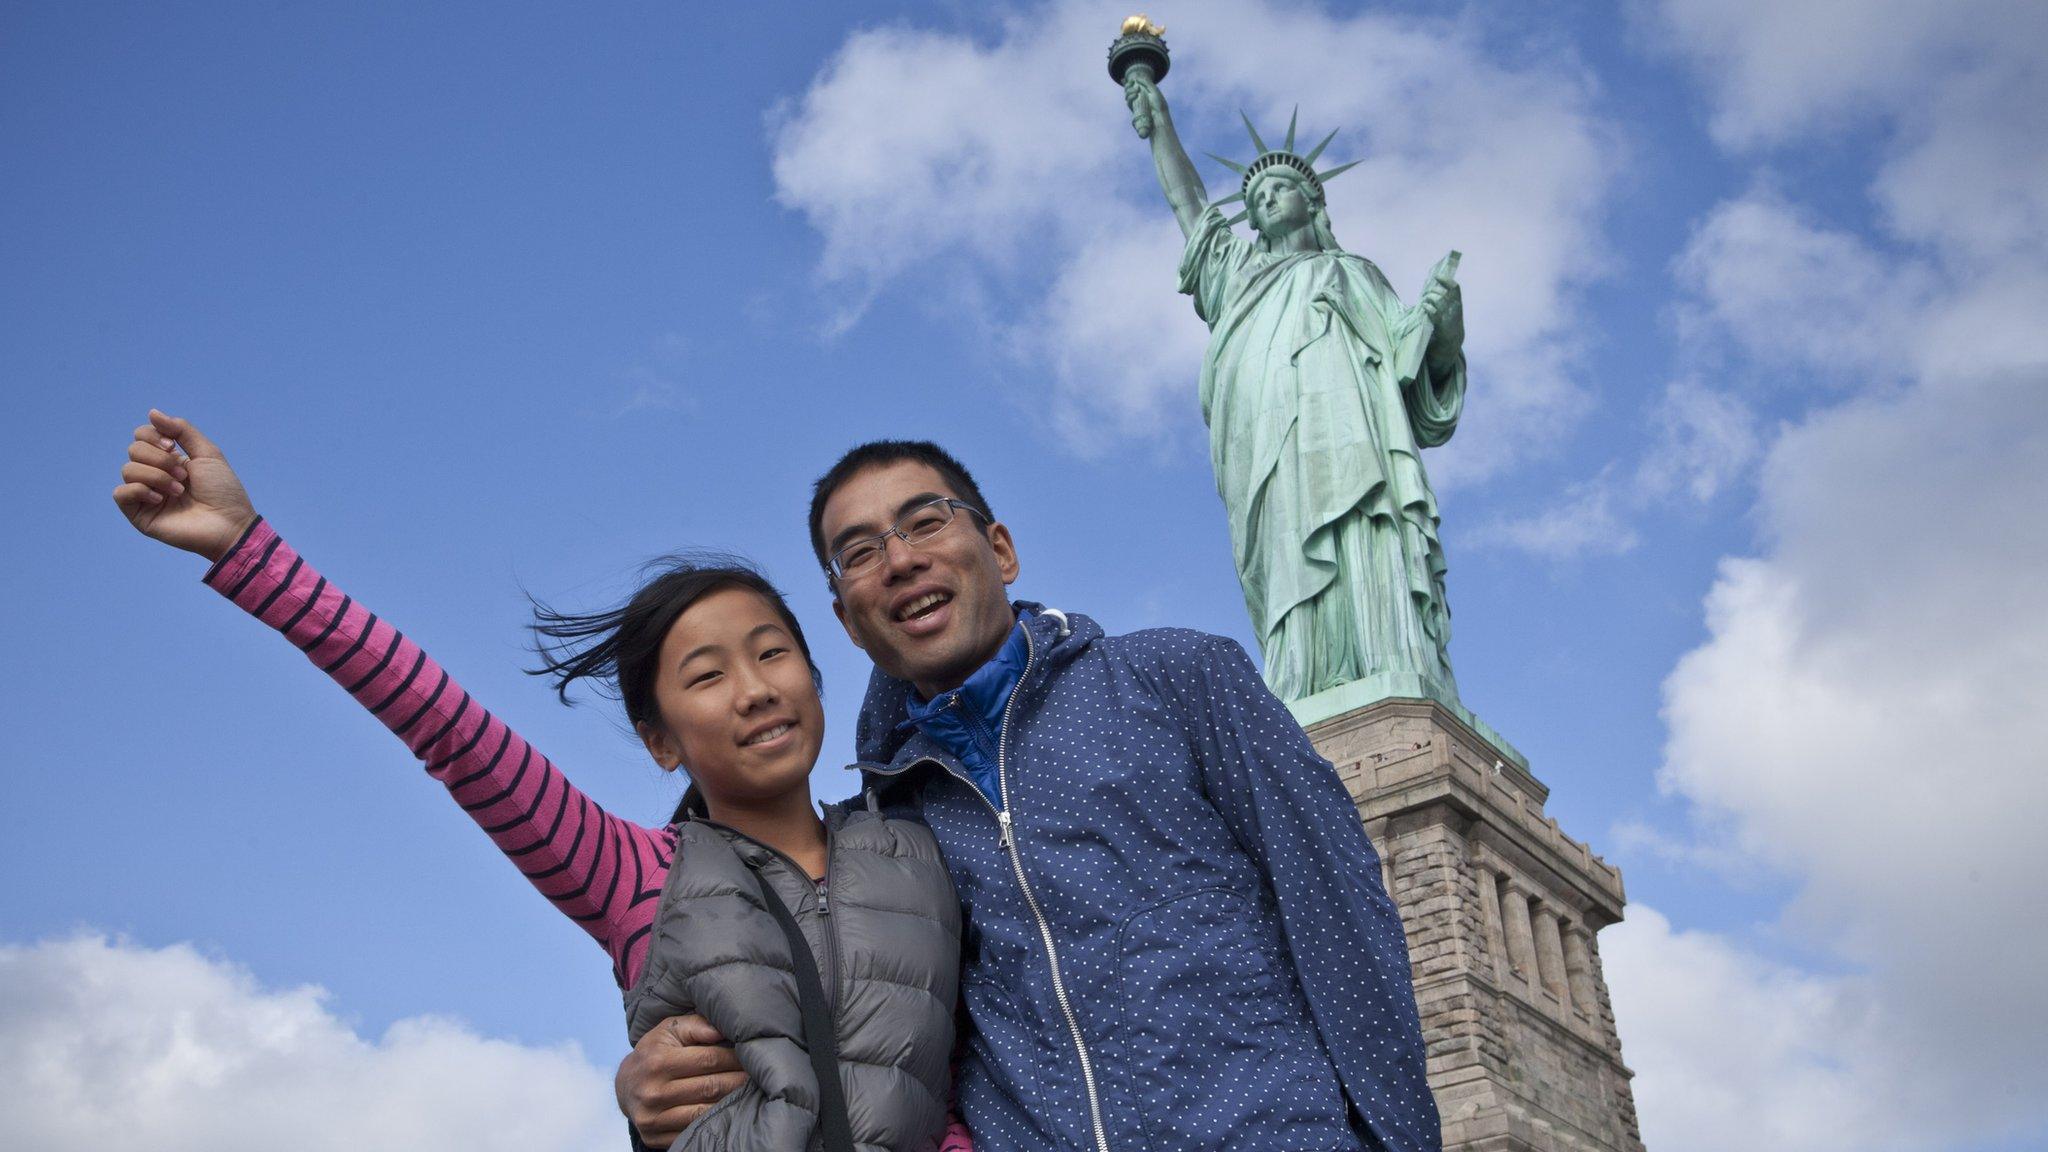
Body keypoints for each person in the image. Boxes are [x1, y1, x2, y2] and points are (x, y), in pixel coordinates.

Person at [110, 411, 974, 1152]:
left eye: (773, 653)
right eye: (706, 677)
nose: (753, 690)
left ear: (816, 679)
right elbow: (445, 726)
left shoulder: (919, 849)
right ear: (659, 742)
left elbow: (967, 1079)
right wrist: (248, 551)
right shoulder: (633, 875)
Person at [620, 441, 1441, 1151]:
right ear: (845, 620)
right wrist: (647, 1089)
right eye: (861, 551)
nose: (900, 558)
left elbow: (1342, 922)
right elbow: (848, 1054)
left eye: (926, 521)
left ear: (1001, 550)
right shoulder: (880, 832)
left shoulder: (1179, 679)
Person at [1121, 69, 1469, 708]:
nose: (1265, 202)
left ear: (1312, 201)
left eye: (1280, 189)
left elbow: (1416, 374)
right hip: (1268, 448)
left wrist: (1445, 328)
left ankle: (1393, 660)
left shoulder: (1357, 274)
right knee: (1287, 553)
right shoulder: (1238, 277)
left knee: (1367, 529)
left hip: (1357, 440)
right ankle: (1303, 682)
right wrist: (1160, 127)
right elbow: (1188, 206)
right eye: (1254, 199)